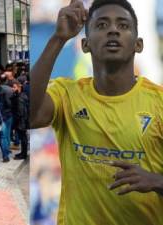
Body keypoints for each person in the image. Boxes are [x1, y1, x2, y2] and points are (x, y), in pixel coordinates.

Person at [30, 0, 163, 224]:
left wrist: (157, 181)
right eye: (101, 25)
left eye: (123, 25)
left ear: (138, 44)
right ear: (85, 44)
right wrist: (58, 39)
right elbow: (31, 115)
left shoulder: (159, 102)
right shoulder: (67, 94)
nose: (113, 30)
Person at [10, 80, 29, 160]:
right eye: (12, 87)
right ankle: (23, 153)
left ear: (19, 87)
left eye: (14, 87)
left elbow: (20, 112)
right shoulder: (21, 95)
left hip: (21, 121)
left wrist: (15, 122)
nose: (12, 89)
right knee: (23, 138)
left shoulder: (20, 97)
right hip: (22, 120)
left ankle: (23, 154)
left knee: (23, 138)